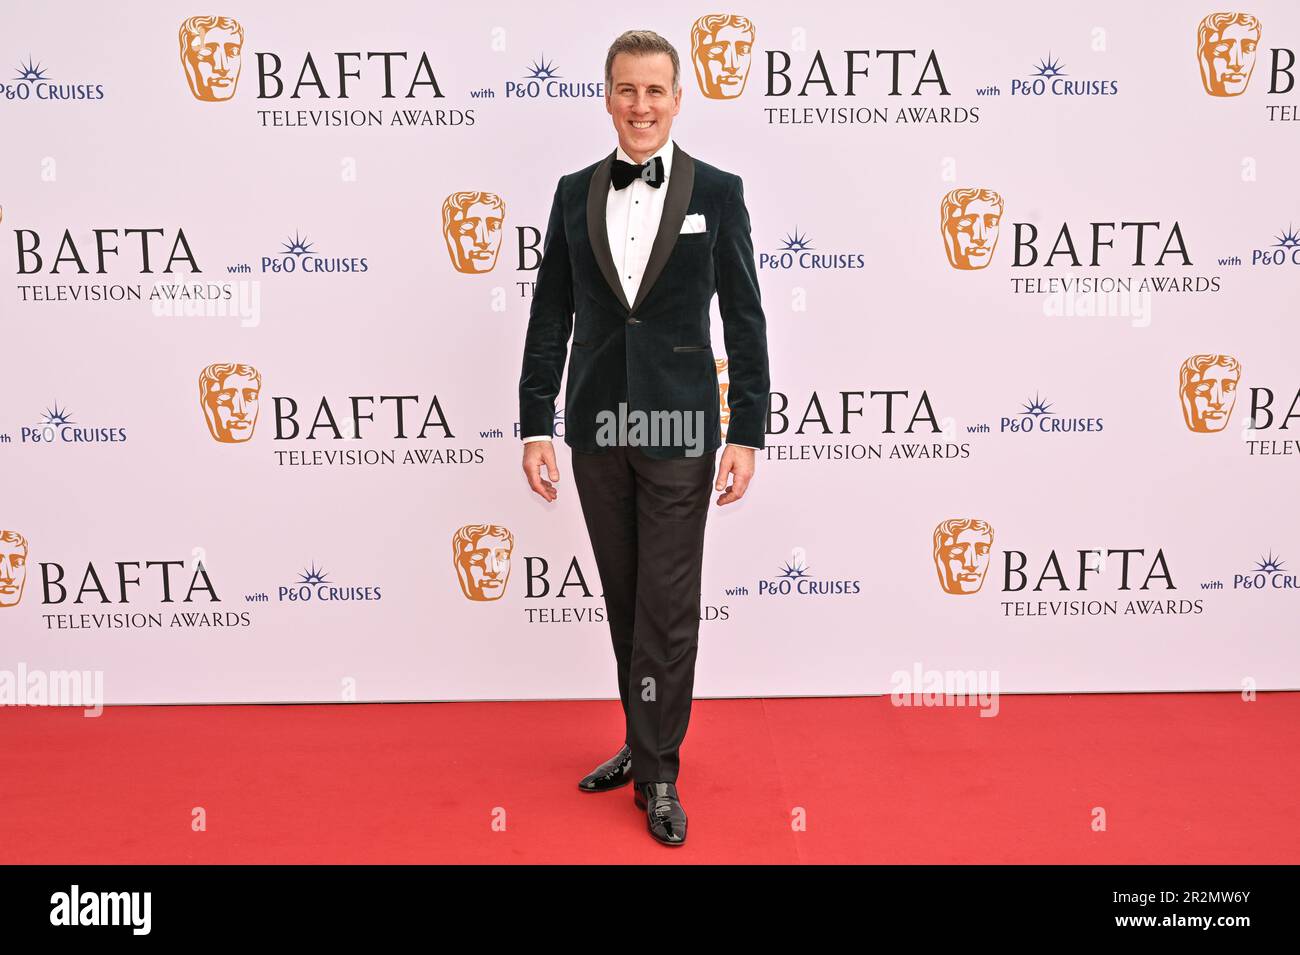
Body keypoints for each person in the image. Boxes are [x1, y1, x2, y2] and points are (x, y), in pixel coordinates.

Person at [517, 29, 770, 846]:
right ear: (606, 96)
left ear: (678, 98)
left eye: (655, 91)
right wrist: (533, 421)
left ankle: (660, 771)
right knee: (625, 594)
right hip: (597, 424)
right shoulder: (571, 192)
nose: (641, 106)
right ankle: (640, 737)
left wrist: (748, 430)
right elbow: (551, 309)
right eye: (627, 90)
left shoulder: (720, 192)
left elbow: (744, 316)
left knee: (665, 598)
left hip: (681, 425)